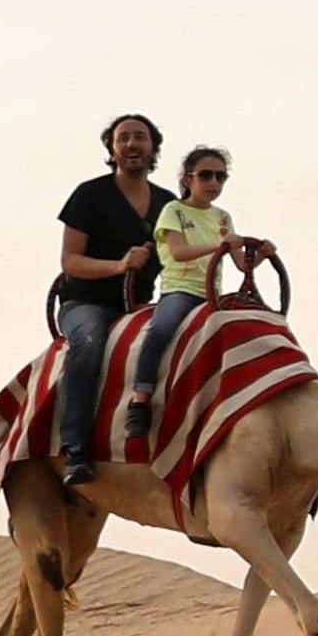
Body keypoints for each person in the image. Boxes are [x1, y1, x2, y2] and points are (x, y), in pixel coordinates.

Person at [122, 147, 270, 455]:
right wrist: (220, 246)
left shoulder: (222, 217)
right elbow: (177, 252)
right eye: (206, 175)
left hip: (212, 296)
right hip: (181, 290)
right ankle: (140, 399)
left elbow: (242, 264)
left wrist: (261, 255)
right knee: (161, 329)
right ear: (189, 179)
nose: (213, 182)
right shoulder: (173, 211)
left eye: (220, 176)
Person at [52, 114, 169, 481]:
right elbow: (70, 261)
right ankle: (75, 447)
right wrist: (119, 266)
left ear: (153, 148)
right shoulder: (90, 195)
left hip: (141, 307)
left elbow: (185, 252)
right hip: (87, 303)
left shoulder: (169, 204)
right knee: (89, 343)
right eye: (124, 138)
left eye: (140, 137)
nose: (132, 144)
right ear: (112, 149)